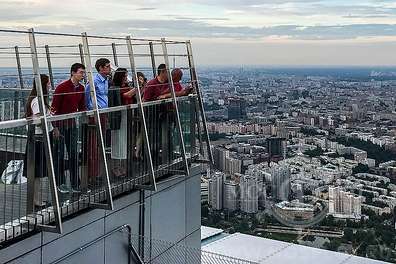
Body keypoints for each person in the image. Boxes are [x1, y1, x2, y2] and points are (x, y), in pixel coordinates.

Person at [51, 63, 86, 193]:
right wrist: (55, 127)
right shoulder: (62, 87)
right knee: (59, 155)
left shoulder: (81, 88)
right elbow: (54, 108)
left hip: (71, 125)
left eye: (83, 73)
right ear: (73, 73)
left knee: (73, 154)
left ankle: (75, 184)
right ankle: (60, 183)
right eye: (80, 72)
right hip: (60, 125)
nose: (82, 75)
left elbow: (82, 107)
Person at [25, 74, 53, 210]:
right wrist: (47, 121)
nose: (49, 85)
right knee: (36, 171)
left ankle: (36, 199)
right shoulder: (38, 100)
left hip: (38, 138)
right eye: (47, 83)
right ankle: (36, 200)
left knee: (37, 171)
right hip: (38, 138)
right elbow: (37, 120)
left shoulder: (37, 99)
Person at [84, 58, 111, 187]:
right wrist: (93, 111)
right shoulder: (94, 81)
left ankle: (97, 174)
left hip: (103, 114)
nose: (109, 68)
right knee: (93, 146)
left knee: (100, 145)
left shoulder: (106, 81)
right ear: (100, 68)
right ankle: (92, 175)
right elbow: (87, 98)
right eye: (107, 66)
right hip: (96, 115)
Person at [108, 68, 136, 177]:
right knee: (117, 140)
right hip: (119, 116)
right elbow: (126, 96)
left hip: (126, 115)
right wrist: (137, 88)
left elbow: (132, 96)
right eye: (124, 76)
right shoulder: (115, 87)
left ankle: (121, 166)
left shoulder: (125, 86)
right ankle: (116, 166)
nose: (126, 78)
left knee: (124, 141)